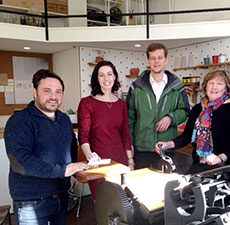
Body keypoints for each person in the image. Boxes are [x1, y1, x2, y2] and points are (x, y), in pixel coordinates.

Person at [4, 69, 89, 225]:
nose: (53, 97)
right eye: (47, 91)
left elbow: (71, 148)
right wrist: (63, 171)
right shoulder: (19, 121)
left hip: (60, 196)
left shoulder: (63, 120)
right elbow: (20, 162)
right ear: (35, 92)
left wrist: (71, 174)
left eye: (58, 92)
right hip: (31, 202)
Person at [156, 69, 230, 171]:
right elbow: (186, 136)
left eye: (219, 84)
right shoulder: (198, 109)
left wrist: (220, 158)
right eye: (211, 83)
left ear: (226, 88)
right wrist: (168, 144)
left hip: (226, 167)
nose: (214, 87)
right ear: (206, 86)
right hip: (200, 165)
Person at [126, 42, 190, 169]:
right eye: (153, 58)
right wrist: (130, 145)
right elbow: (129, 119)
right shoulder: (136, 87)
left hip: (165, 148)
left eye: (160, 58)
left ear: (166, 60)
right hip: (141, 149)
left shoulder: (176, 86)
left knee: (165, 187)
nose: (156, 61)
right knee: (139, 186)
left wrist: (170, 118)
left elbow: (185, 111)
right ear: (148, 61)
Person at [77, 60, 133, 200]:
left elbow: (126, 135)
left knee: (123, 204)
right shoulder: (87, 103)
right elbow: (83, 135)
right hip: (98, 162)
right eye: (101, 75)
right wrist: (89, 155)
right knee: (103, 204)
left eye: (109, 74)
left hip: (120, 161)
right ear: (97, 78)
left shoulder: (121, 104)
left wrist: (130, 161)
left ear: (114, 77)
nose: (106, 78)